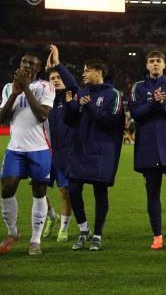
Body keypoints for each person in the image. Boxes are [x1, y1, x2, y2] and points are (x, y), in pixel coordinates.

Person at [129, 50, 166, 251]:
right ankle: (157, 236)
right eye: (151, 61)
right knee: (152, 193)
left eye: (158, 61)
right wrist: (153, 102)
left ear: (164, 65)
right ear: (147, 65)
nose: (155, 64)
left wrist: (163, 104)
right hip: (149, 148)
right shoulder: (138, 87)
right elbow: (136, 114)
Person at [63, 59, 125, 251]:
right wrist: (70, 107)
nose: (83, 74)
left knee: (100, 192)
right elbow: (70, 122)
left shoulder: (113, 94)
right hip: (81, 149)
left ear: (98, 72)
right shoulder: (82, 93)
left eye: (86, 71)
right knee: (73, 189)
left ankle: (97, 235)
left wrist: (89, 107)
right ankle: (84, 230)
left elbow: (112, 122)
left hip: (102, 152)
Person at [0, 52, 55, 255]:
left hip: (39, 149)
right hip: (15, 148)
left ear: (38, 69)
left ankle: (35, 240)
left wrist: (25, 90)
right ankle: (13, 232)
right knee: (7, 189)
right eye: (24, 61)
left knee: (39, 193)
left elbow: (41, 115)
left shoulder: (45, 87)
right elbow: (2, 119)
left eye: (31, 63)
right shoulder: (8, 88)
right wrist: (15, 93)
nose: (27, 65)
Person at [42, 45, 78, 242]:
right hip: (44, 153)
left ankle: (63, 228)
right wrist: (47, 69)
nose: (56, 80)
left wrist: (58, 64)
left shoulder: (70, 97)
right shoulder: (43, 99)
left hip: (65, 154)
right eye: (52, 78)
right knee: (39, 192)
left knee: (65, 192)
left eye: (59, 78)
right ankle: (50, 217)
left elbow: (73, 85)